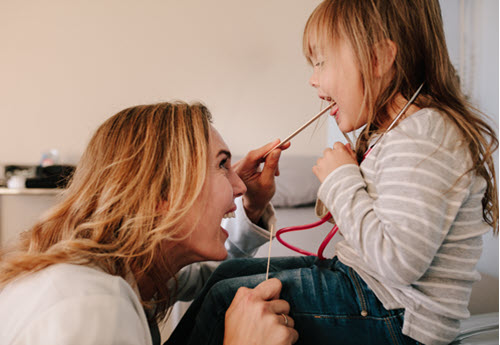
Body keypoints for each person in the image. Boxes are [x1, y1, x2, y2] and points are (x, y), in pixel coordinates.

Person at [165, 1, 499, 344]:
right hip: (367, 289)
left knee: (228, 299)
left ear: (378, 59)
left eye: (321, 62)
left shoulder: (426, 134)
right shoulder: (397, 134)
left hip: (399, 317)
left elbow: (399, 263)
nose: (313, 79)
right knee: (225, 276)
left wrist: (342, 180)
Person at [0, 102, 298, 345]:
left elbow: (208, 270)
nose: (240, 186)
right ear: (162, 192)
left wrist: (252, 206)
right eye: (222, 165)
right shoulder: (92, 308)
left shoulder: (133, 272)